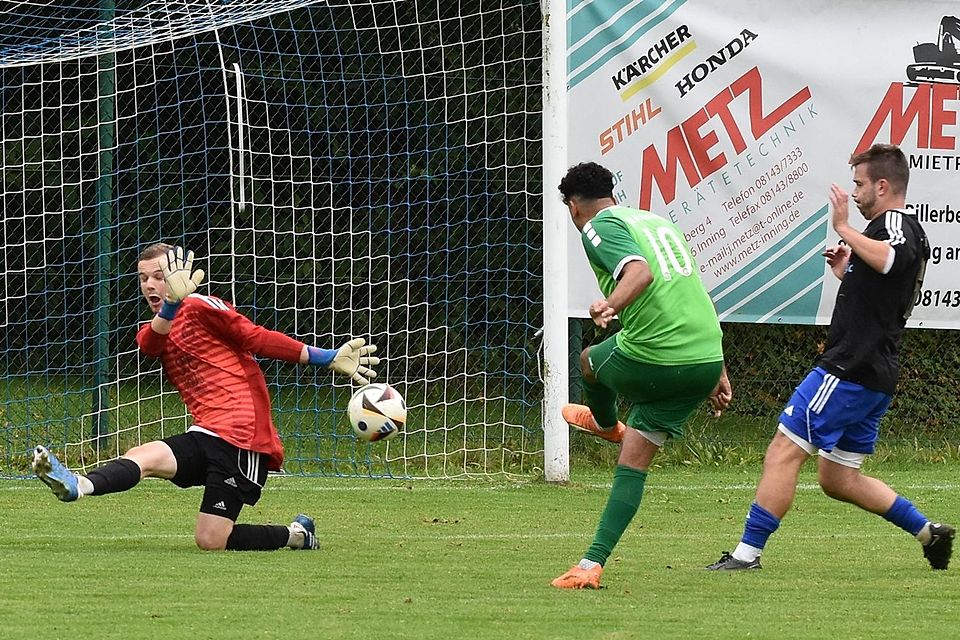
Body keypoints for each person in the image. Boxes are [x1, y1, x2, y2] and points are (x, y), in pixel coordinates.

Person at [33, 243, 379, 552]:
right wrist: (170, 304)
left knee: (211, 541)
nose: (150, 285)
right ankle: (79, 484)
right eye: (143, 279)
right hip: (208, 432)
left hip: (244, 437)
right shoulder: (158, 324)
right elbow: (150, 345)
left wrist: (327, 356)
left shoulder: (200, 305)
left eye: (159, 275)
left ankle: (296, 536)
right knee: (143, 456)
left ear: (180, 274)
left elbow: (257, 338)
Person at [707, 143, 954, 571]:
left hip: (849, 369)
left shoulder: (894, 223)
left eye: (860, 184)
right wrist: (849, 270)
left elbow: (892, 259)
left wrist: (843, 228)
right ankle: (927, 531)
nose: (854, 193)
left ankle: (747, 555)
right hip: (872, 373)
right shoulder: (887, 231)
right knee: (837, 478)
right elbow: (885, 283)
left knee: (783, 448)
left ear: (882, 185)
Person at [551, 162, 732, 589]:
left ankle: (605, 423)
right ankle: (590, 566)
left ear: (574, 206)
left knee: (589, 362)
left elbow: (640, 273)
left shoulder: (598, 227)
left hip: (659, 355)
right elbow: (693, 294)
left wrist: (609, 303)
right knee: (632, 464)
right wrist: (717, 367)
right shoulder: (656, 223)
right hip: (703, 357)